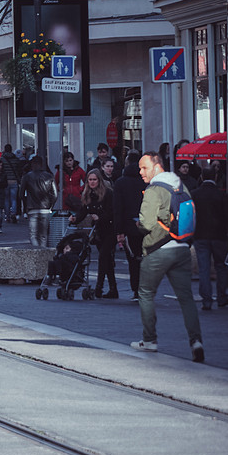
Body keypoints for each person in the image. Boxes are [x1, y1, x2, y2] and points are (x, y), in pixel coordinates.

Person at [130, 153, 204, 362]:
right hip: (181, 248)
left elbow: (145, 223)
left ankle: (150, 340)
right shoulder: (180, 185)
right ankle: (196, 341)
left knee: (145, 293)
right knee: (186, 298)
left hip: (158, 250)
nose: (141, 172)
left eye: (144, 168)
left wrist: (138, 225)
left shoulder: (154, 189)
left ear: (156, 166)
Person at [73, 170, 117, 298]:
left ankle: (99, 287)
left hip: (110, 228)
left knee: (103, 257)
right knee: (107, 260)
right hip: (99, 231)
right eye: (90, 180)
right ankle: (113, 289)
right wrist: (75, 219)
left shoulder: (108, 194)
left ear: (99, 181)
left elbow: (112, 212)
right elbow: (83, 211)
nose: (92, 182)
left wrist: (100, 217)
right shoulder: (87, 194)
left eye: (94, 180)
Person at [192, 165, 228, 310]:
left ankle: (206, 300)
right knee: (220, 266)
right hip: (219, 235)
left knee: (204, 268)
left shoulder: (195, 194)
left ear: (202, 177)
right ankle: (221, 297)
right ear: (215, 177)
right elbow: (227, 217)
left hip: (200, 235)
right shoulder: (222, 195)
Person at [113, 151, 146, 301]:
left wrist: (119, 230)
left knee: (133, 259)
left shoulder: (120, 182)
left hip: (128, 225)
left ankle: (136, 290)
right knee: (146, 258)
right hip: (146, 224)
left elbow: (117, 208)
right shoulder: (147, 181)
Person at [20, 155, 56, 247]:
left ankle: (36, 253)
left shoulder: (27, 176)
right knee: (43, 235)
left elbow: (21, 194)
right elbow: (54, 194)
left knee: (33, 235)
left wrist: (25, 206)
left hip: (32, 208)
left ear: (32, 164)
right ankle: (43, 253)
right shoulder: (49, 176)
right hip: (46, 208)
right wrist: (51, 206)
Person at [0, 144, 24, 223]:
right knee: (14, 199)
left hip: (6, 181)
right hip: (14, 181)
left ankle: (7, 215)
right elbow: (19, 170)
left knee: (6, 199)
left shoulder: (2, 159)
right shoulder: (16, 159)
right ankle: (13, 213)